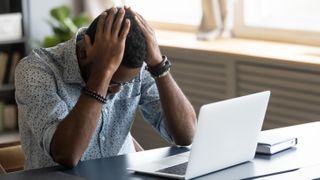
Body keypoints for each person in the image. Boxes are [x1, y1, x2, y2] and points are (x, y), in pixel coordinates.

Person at [15, 7, 196, 170]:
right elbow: (67, 154)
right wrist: (103, 73)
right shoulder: (36, 70)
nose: (117, 91)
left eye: (123, 84)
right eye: (113, 82)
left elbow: (187, 136)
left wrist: (158, 67)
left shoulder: (135, 66)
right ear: (85, 50)